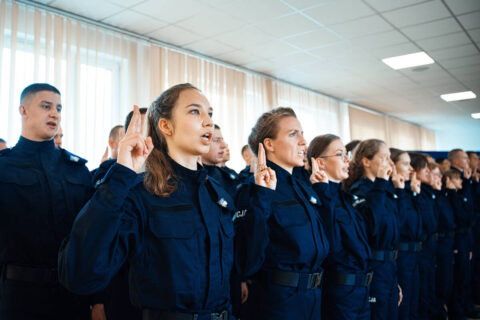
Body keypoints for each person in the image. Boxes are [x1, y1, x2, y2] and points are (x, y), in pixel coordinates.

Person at [59, 83, 237, 319]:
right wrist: (121, 175)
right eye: (195, 111)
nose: (209, 122)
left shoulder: (218, 195)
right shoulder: (141, 192)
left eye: (210, 113)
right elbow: (80, 274)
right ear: (166, 125)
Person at [0, 83, 93, 319]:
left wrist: (98, 299)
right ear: (23, 110)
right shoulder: (4, 167)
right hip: (18, 295)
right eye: (46, 106)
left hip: (72, 296)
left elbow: (91, 237)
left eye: (59, 108)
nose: (55, 113)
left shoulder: (77, 171)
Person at [235, 107, 332, 320]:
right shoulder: (254, 189)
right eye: (293, 134)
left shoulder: (304, 187)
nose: (303, 142)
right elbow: (247, 259)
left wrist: (324, 193)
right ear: (269, 144)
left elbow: (329, 241)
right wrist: (262, 195)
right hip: (278, 302)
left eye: (302, 133)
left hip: (312, 297)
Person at [307, 134, 372, 320]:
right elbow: (331, 246)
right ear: (320, 163)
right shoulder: (318, 197)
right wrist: (322, 191)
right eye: (339, 154)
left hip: (361, 289)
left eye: (347, 154)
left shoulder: (345, 197)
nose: (347, 160)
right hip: (340, 293)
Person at [343, 139, 401, 320]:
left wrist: (395, 280)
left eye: (390, 158)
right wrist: (382, 183)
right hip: (373, 269)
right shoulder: (359, 191)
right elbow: (371, 227)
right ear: (366, 161)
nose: (390, 164)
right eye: (384, 158)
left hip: (389, 268)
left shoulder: (383, 190)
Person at [410, 153, 444, 319]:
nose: (429, 173)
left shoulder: (427, 191)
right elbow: (424, 222)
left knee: (429, 287)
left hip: (429, 247)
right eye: (425, 168)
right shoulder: (412, 192)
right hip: (419, 248)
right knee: (420, 292)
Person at [389, 148, 422, 320]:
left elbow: (419, 225)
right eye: (406, 164)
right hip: (401, 256)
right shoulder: (393, 192)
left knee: (413, 302)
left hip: (414, 254)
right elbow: (400, 224)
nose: (411, 169)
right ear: (392, 166)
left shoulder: (407, 190)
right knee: (403, 306)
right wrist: (400, 191)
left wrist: (415, 194)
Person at [429, 162, 455, 317]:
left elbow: (453, 220)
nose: (440, 178)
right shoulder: (430, 196)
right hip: (436, 246)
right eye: (436, 174)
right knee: (438, 286)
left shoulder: (440, 194)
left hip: (445, 245)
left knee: (446, 284)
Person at [201, 124, 238, 197]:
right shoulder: (193, 178)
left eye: (222, 140)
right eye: (216, 140)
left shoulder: (225, 177)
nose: (223, 146)